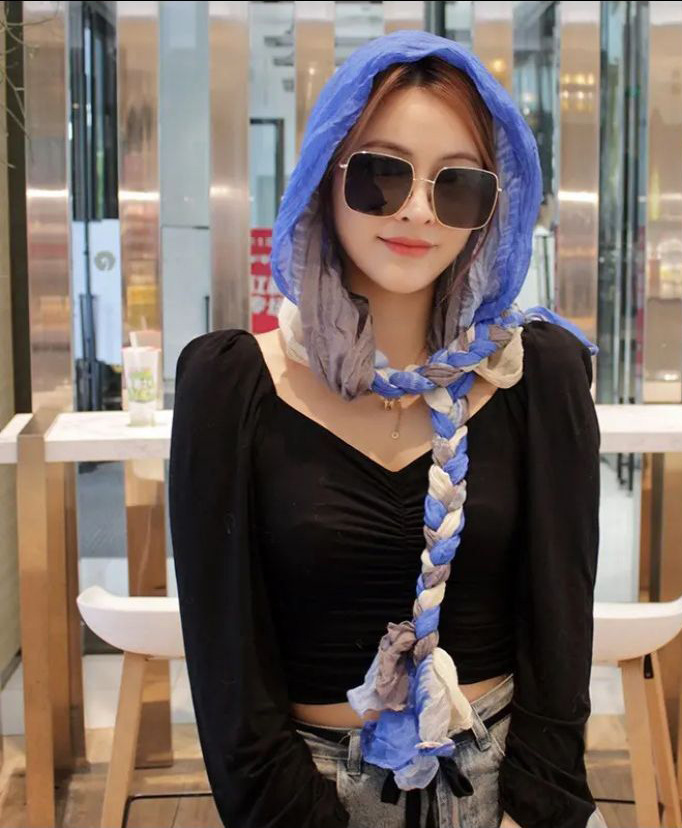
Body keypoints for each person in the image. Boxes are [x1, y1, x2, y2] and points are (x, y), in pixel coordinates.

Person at [169, 29, 607, 828]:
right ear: (323, 177)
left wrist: (536, 810)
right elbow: (227, 667)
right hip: (308, 796)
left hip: (497, 787)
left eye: (458, 185)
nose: (416, 209)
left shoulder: (536, 377)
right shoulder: (231, 385)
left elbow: (561, 625)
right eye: (381, 172)